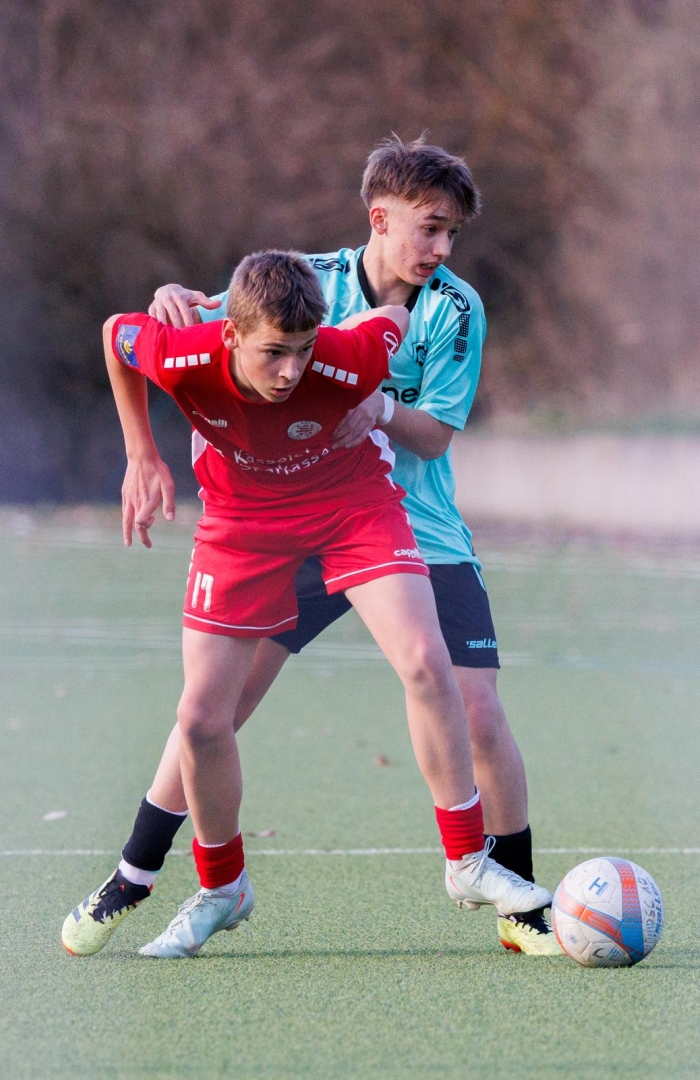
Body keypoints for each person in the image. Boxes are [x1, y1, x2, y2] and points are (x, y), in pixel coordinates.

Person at [62, 138, 560, 958]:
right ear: (379, 218)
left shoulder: (455, 308)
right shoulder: (308, 280)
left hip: (408, 521)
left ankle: (516, 901)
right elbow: (208, 331)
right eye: (430, 227)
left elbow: (433, 437)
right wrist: (169, 300)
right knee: (214, 713)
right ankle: (136, 871)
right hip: (281, 524)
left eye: (452, 234)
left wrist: (381, 411)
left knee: (472, 704)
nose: (441, 247)